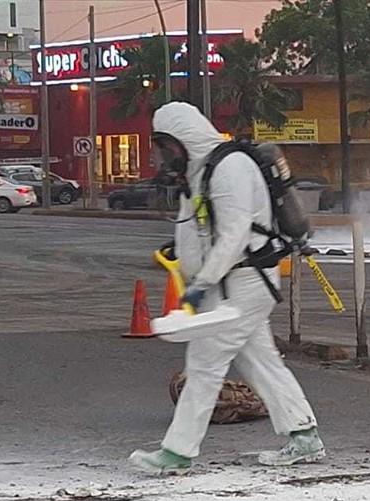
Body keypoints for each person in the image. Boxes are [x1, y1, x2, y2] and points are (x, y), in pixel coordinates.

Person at [129, 102, 324, 475]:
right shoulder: (201, 172)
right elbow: (207, 228)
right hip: (234, 282)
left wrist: (201, 284)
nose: (165, 157)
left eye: (167, 146)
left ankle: (177, 452)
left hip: (245, 281)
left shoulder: (230, 167)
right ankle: (304, 436)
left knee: (204, 364)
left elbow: (235, 234)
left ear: (183, 139)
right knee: (260, 362)